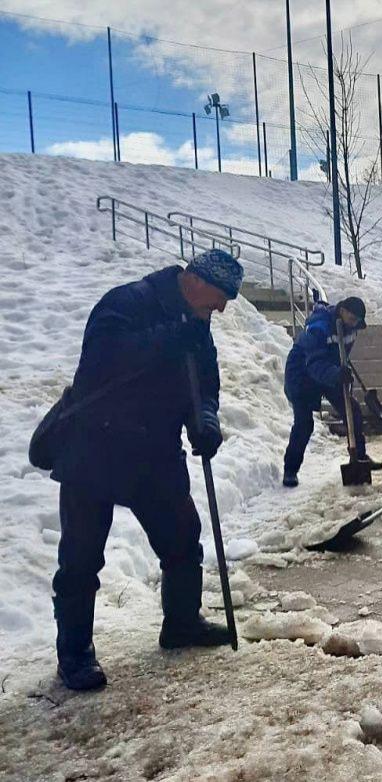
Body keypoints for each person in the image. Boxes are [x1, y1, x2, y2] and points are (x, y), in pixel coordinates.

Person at [49, 249, 244, 691]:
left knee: (181, 538)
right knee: (80, 558)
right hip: (94, 447)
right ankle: (74, 654)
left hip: (155, 453)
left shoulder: (197, 323)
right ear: (194, 279)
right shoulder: (127, 302)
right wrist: (170, 338)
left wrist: (206, 421)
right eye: (220, 296)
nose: (222, 307)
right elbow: (102, 363)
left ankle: (181, 623)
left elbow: (206, 383)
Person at [283, 296, 382, 487]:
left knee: (352, 411)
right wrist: (337, 374)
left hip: (330, 372)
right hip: (302, 374)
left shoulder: (352, 327)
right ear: (342, 311)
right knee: (304, 424)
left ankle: (359, 458)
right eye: (352, 319)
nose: (354, 324)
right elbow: (314, 362)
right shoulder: (318, 327)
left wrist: (341, 371)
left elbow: (340, 352)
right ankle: (290, 470)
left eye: (357, 321)